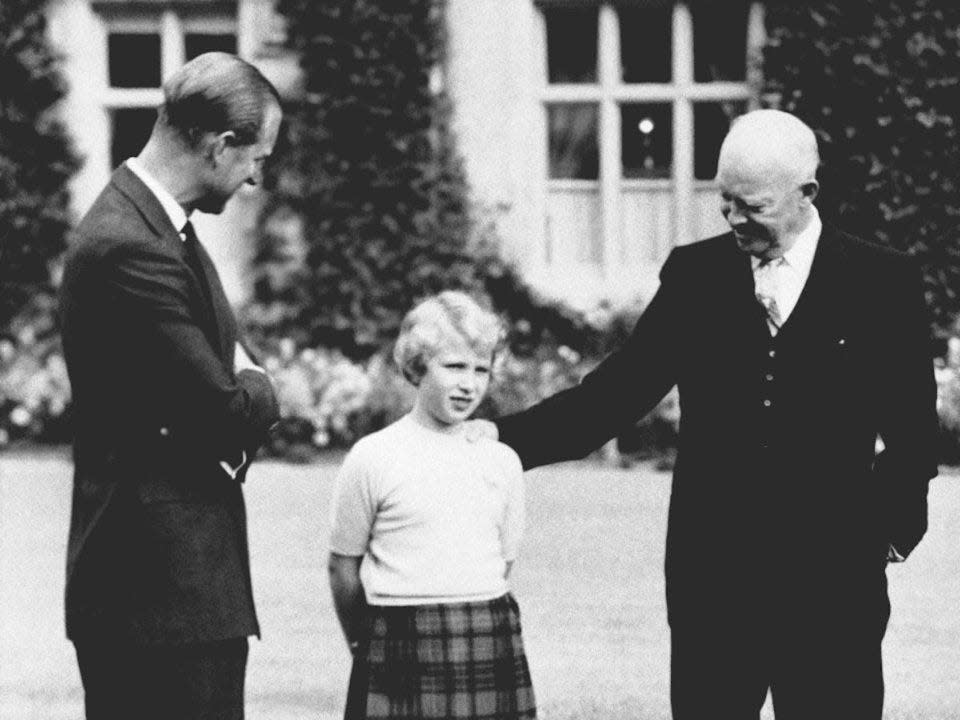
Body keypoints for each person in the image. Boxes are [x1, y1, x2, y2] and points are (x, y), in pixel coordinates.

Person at [484, 110, 939, 718]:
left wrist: (884, 535)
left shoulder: (882, 281)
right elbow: (614, 394)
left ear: (807, 195)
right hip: (714, 584)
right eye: (724, 202)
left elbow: (912, 432)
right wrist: (497, 442)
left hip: (836, 587)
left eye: (752, 206)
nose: (733, 219)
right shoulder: (695, 275)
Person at [58, 52, 283, 720]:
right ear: (220, 147)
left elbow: (214, 367)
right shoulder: (133, 245)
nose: (254, 179)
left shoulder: (155, 225)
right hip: (158, 597)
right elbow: (221, 409)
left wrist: (239, 375)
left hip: (170, 593)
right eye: (257, 159)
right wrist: (261, 387)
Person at [328, 291, 536, 720]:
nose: (469, 383)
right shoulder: (374, 456)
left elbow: (503, 559)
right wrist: (362, 643)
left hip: (485, 628)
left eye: (482, 370)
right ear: (418, 367)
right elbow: (342, 567)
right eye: (455, 366)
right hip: (397, 637)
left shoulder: (501, 461)